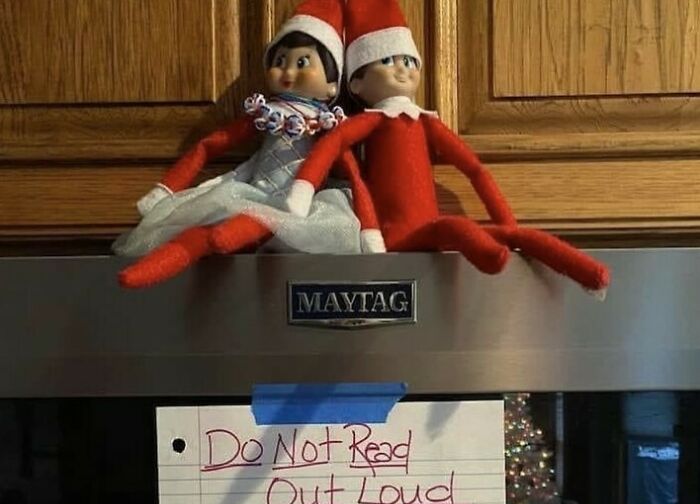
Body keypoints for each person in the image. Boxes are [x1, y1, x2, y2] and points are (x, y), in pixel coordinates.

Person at [287, 0, 609, 293]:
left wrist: (506, 223)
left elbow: (473, 169)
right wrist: (301, 192)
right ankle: (492, 260)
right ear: (356, 83)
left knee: (516, 237)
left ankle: (591, 276)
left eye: (408, 61)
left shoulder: (426, 123)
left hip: (429, 226)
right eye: (387, 60)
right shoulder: (373, 122)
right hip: (397, 236)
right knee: (454, 228)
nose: (401, 68)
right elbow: (332, 144)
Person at [115, 0, 384, 289]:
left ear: (332, 85)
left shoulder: (327, 126)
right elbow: (211, 145)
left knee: (246, 238)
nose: (288, 72)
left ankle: (224, 239)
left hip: (302, 208)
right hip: (253, 193)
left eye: (302, 62)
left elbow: (354, 175)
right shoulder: (263, 113)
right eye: (280, 61)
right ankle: (146, 270)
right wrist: (165, 189)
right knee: (208, 234)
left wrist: (370, 230)